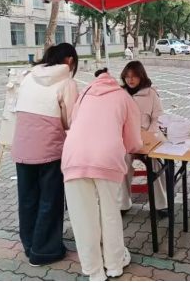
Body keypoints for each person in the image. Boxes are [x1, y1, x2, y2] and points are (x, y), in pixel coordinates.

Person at [62, 68, 143, 281]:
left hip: (73, 157)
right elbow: (133, 140)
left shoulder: (84, 94)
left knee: (82, 218)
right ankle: (114, 265)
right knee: (110, 213)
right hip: (107, 159)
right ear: (115, 81)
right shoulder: (123, 97)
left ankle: (94, 271)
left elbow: (74, 121)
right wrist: (127, 146)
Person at [11, 43, 79, 266]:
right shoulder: (67, 82)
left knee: (28, 199)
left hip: (22, 146)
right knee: (50, 200)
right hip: (50, 148)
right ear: (69, 60)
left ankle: (30, 245)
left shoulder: (28, 76)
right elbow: (72, 119)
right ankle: (45, 251)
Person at [118, 61, 168, 216]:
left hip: (147, 137)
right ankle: (123, 203)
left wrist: (148, 136)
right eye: (127, 76)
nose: (130, 80)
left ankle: (161, 204)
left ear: (141, 76)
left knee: (156, 163)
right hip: (125, 139)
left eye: (133, 76)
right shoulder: (119, 93)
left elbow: (157, 117)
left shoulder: (151, 93)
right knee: (122, 162)